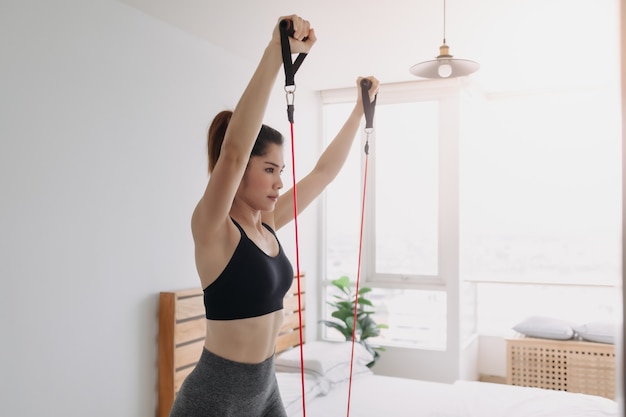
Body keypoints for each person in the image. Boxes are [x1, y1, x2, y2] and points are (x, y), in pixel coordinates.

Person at [168, 14, 379, 417]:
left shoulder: (266, 224)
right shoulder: (213, 228)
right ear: (239, 170)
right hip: (214, 399)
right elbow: (231, 153)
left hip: (265, 388)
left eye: (281, 171)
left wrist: (358, 112)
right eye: (269, 169)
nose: (280, 182)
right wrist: (274, 54)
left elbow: (322, 173)